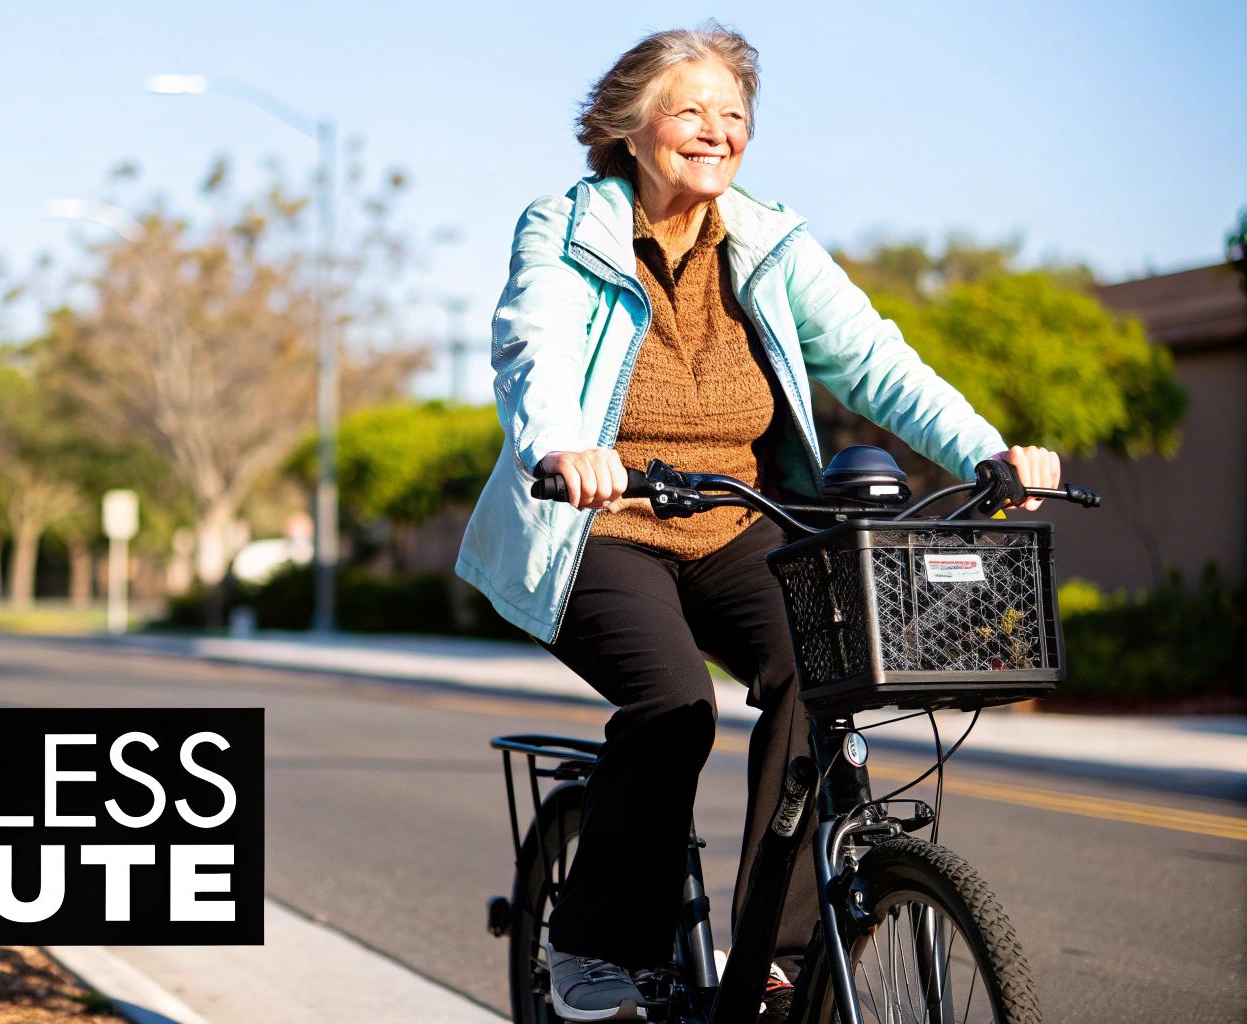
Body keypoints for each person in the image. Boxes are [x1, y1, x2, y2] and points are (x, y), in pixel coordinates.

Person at [454, 23, 1061, 1022]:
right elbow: (536, 346)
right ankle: (596, 946)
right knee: (673, 705)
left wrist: (985, 450)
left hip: (738, 516)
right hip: (599, 526)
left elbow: (874, 360)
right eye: (689, 110)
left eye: (732, 115)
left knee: (817, 680)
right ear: (626, 127)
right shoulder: (563, 229)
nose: (715, 131)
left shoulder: (769, 240)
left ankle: (773, 963)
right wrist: (560, 447)